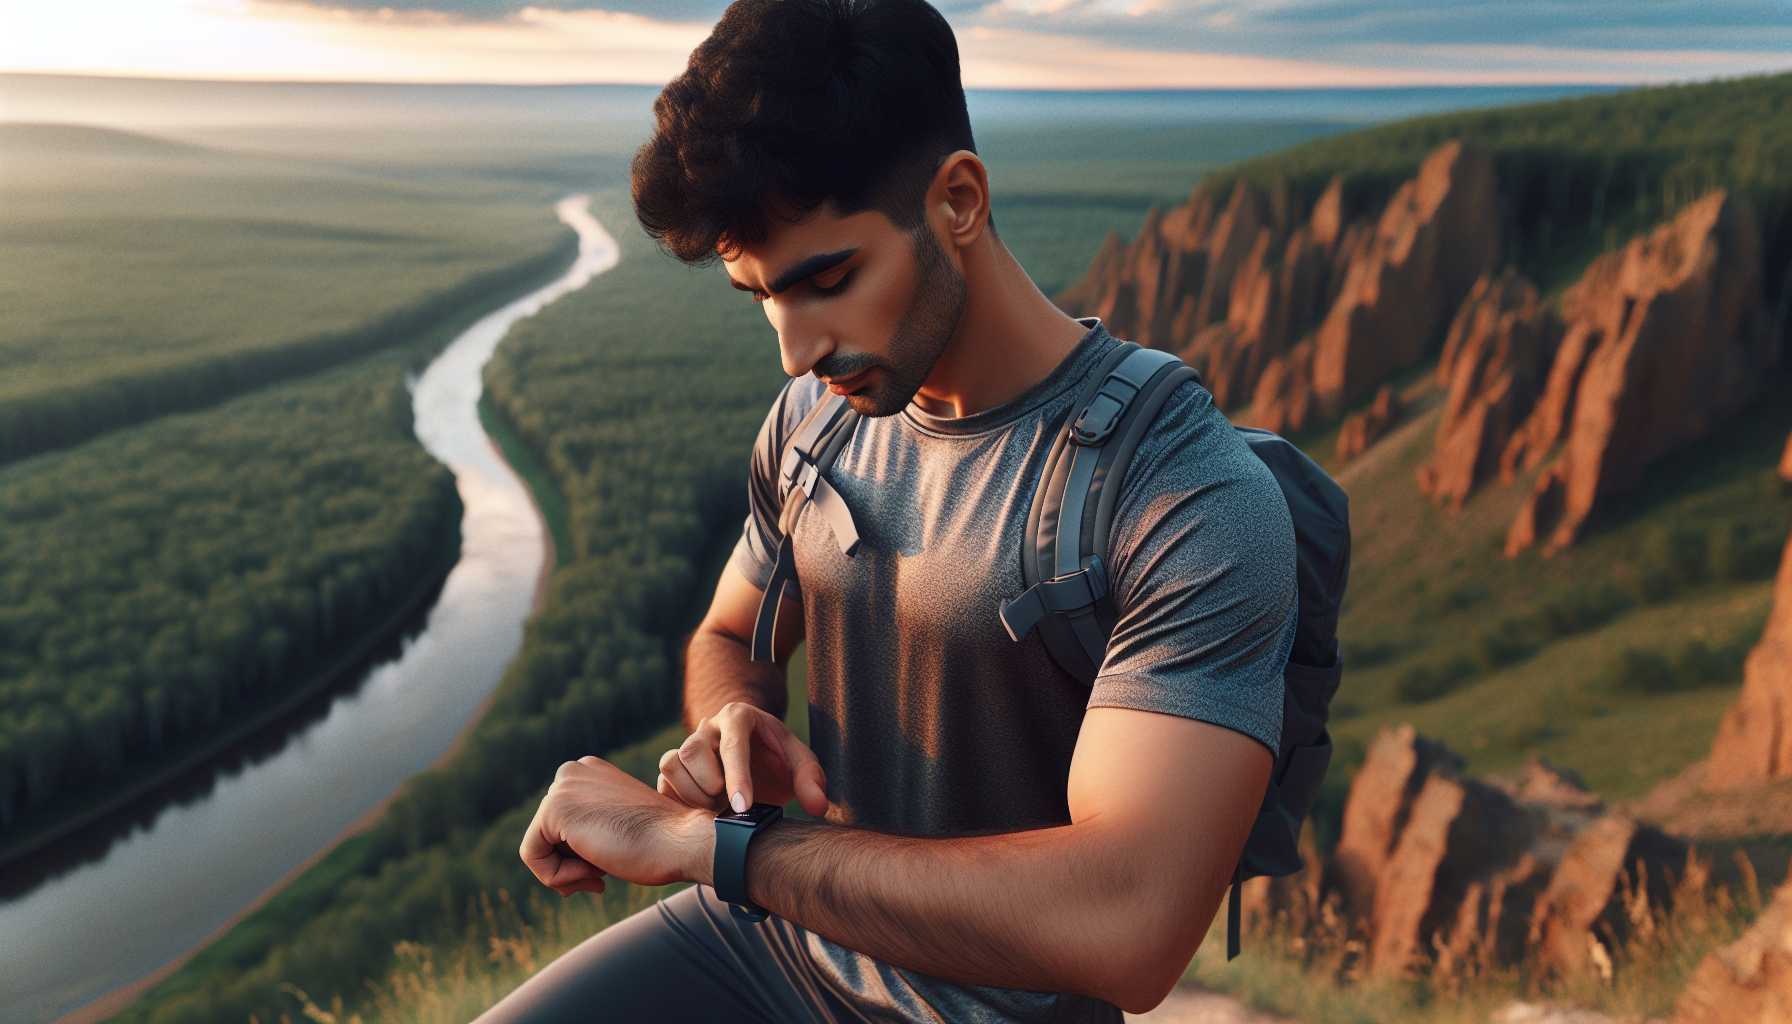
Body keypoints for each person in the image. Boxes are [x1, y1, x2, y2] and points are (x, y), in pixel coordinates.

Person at [477, 1, 1298, 1020]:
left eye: (828, 278)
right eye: (761, 296)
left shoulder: (1185, 493)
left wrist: (712, 845)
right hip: (767, 944)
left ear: (956, 200)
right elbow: (732, 630)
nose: (795, 350)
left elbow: (1127, 927)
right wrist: (737, 715)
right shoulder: (813, 424)